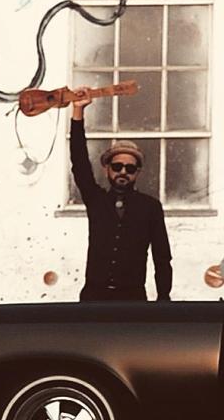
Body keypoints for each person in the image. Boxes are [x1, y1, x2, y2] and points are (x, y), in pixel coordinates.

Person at [69, 90, 173, 302]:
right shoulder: (96, 200)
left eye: (130, 168)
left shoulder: (150, 207)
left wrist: (163, 298)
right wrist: (78, 112)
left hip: (132, 299)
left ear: (137, 172)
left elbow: (162, 257)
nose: (123, 172)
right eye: (117, 166)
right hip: (94, 297)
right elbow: (79, 163)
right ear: (107, 169)